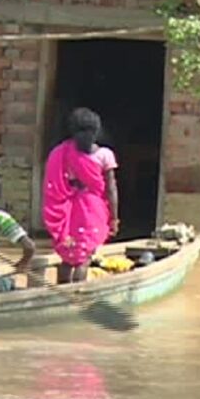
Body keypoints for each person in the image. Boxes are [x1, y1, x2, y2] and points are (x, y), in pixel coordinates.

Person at [42, 107, 120, 284]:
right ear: (97, 130)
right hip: (93, 209)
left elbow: (54, 183)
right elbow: (111, 189)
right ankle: (79, 297)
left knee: (68, 258)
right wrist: (114, 218)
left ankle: (61, 296)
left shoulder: (62, 151)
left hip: (69, 207)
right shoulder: (105, 155)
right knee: (84, 257)